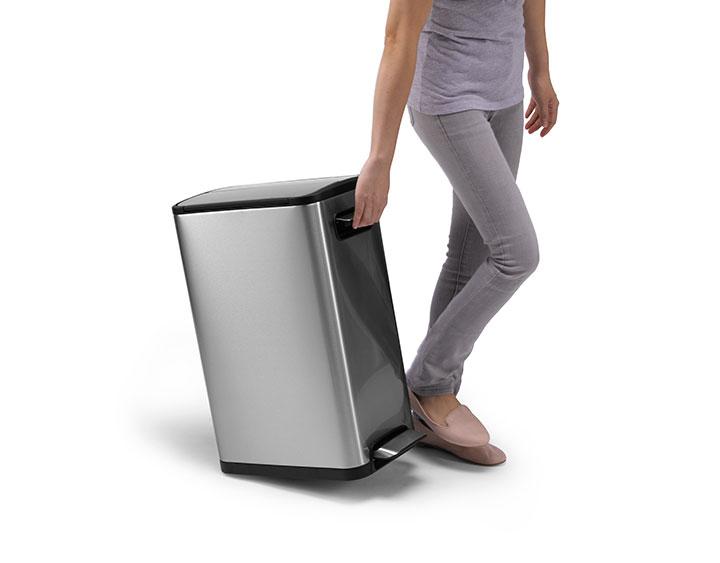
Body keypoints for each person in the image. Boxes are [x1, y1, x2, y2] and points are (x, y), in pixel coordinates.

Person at [352, 0, 559, 465]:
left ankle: (433, 417)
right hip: (448, 97)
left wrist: (539, 70)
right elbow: (399, 37)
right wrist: (380, 157)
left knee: (474, 251)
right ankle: (427, 385)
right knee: (516, 253)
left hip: (503, 96)